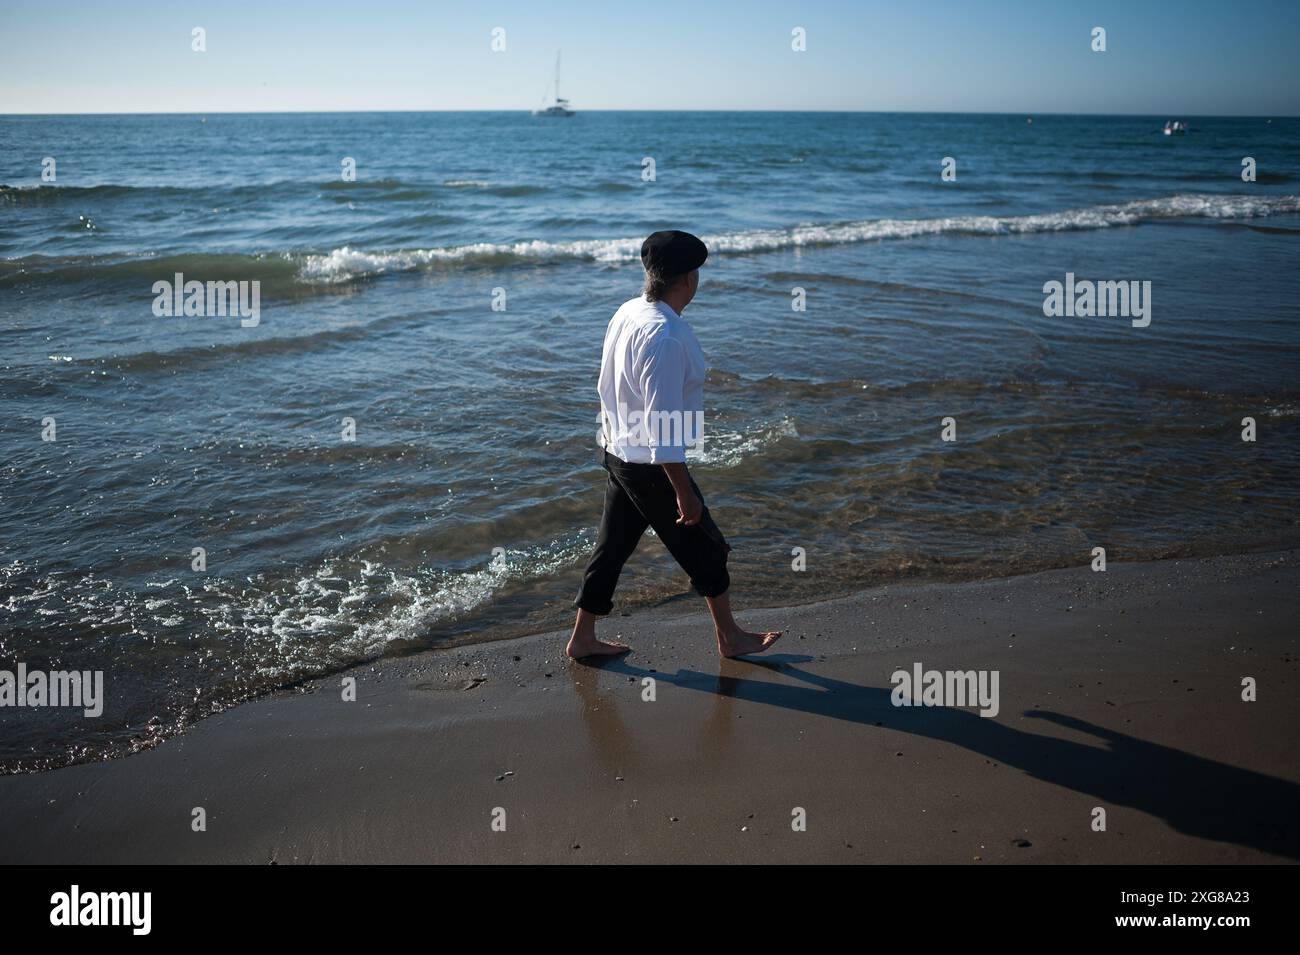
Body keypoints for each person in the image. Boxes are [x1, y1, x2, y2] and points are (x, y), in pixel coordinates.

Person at [567, 230, 782, 660]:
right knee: (707, 547)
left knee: (610, 550)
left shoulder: (629, 310)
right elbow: (662, 425)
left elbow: (607, 383)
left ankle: (583, 638)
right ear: (688, 279)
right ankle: (730, 639)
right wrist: (683, 491)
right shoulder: (665, 336)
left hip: (617, 450)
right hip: (648, 463)